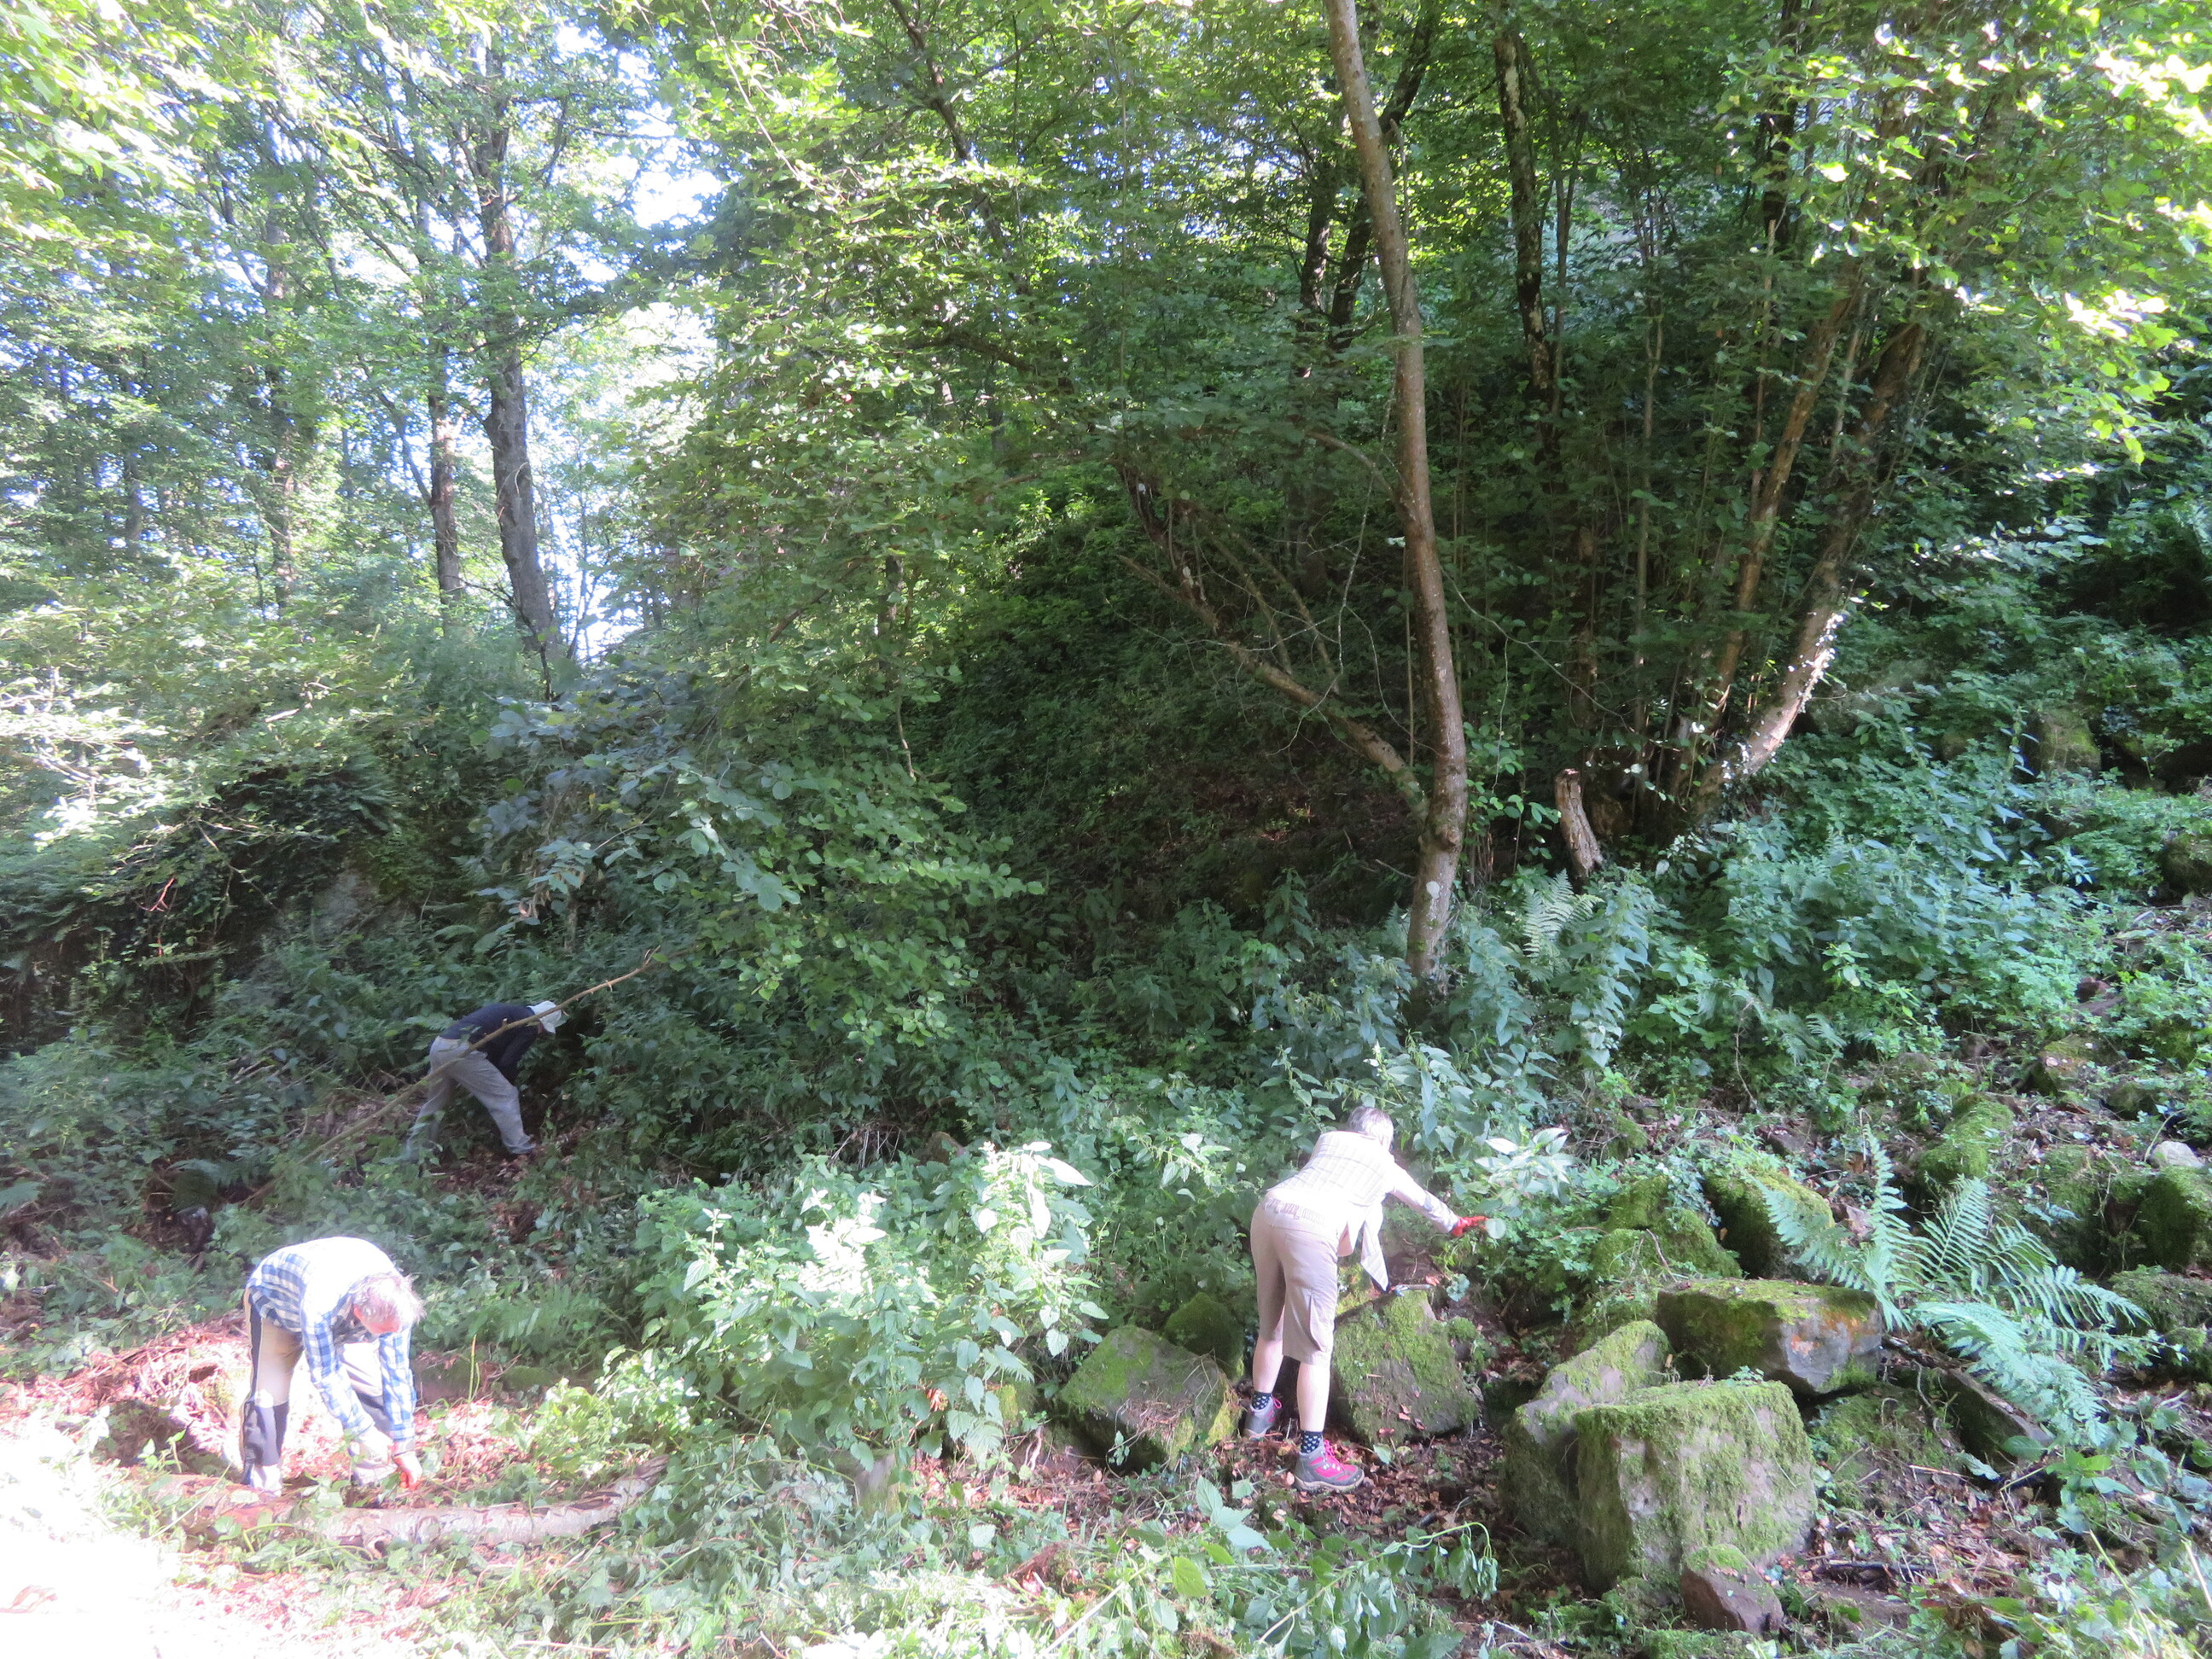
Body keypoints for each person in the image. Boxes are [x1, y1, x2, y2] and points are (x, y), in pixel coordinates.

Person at [1243, 1104, 1482, 1493]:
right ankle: (1311, 1458)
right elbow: (1422, 1201)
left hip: (1269, 1210)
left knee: (1273, 1325)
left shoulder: (1327, 1141)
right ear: (1384, 1140)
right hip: (1311, 1227)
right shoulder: (1383, 1163)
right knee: (1317, 1350)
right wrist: (1455, 1223)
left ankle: (1258, 1416)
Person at [241, 1236, 424, 1494]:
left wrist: (405, 1445)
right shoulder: (320, 1302)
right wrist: (365, 1432)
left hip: (342, 1303)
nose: (388, 1337)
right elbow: (326, 1375)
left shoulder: (396, 1302)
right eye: (383, 1332)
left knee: (371, 1385)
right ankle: (263, 1488)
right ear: (360, 1314)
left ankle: (374, 1484)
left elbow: (397, 1372)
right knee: (269, 1394)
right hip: (275, 1306)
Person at [401, 999, 564, 1162]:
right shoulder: (530, 1025)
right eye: (544, 1030)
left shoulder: (511, 1011)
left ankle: (414, 1155)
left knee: (436, 1103)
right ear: (543, 1022)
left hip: (440, 1045)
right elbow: (508, 1061)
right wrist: (508, 1081)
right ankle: (521, 1150)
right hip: (463, 1051)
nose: (541, 1034)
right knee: (506, 1095)